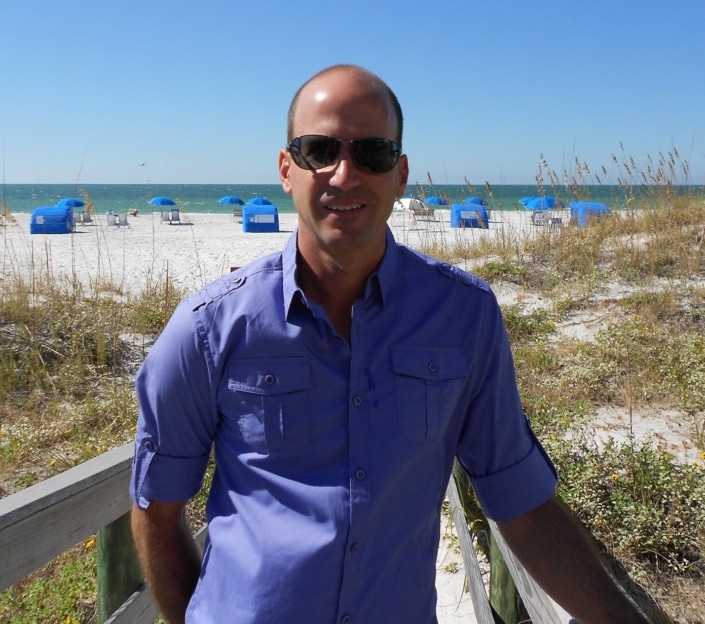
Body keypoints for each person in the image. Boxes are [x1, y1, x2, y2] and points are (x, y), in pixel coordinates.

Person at [129, 64, 651, 624]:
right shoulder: (210, 327)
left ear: (401, 176)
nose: (344, 174)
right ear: (287, 169)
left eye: (372, 153)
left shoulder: (462, 317)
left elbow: (522, 507)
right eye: (319, 149)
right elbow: (155, 513)